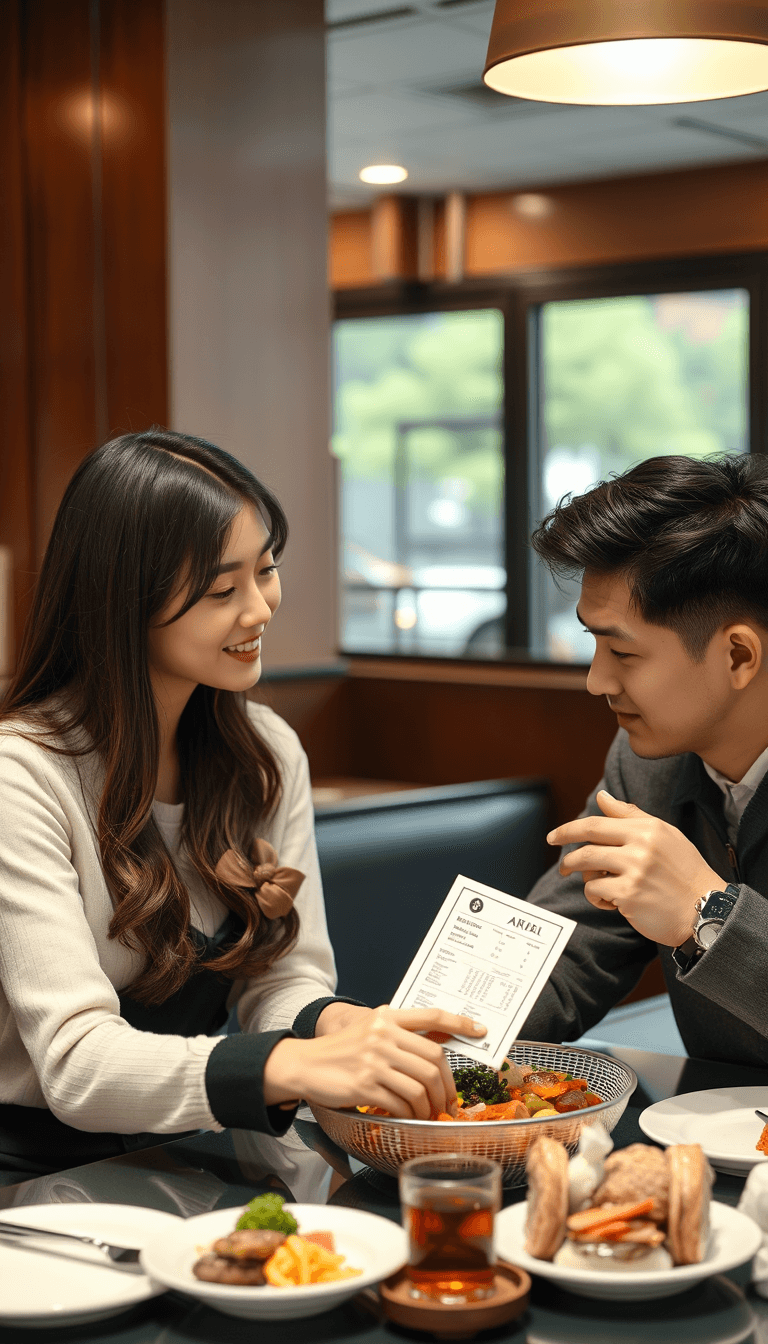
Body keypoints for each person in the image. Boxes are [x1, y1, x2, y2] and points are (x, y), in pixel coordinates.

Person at [0, 429, 484, 1178]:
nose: (260, 609)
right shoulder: (23, 777)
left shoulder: (263, 751)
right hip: (34, 1176)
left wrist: (338, 1026)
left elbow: (281, 980)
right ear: (121, 600)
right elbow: (77, 1065)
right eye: (223, 590)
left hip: (182, 1151)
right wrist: (293, 1066)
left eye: (266, 571)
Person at [518, 453, 768, 1067]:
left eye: (622, 653)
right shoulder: (645, 764)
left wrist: (705, 912)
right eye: (592, 642)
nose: (596, 680)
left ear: (738, 655)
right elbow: (569, 945)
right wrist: (424, 1037)